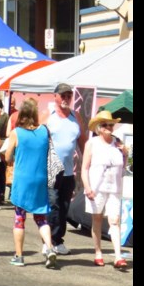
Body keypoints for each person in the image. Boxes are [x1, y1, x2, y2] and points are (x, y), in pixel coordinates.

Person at [5, 98, 58, 268]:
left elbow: (7, 157)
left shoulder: (17, 133)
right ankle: (49, 248)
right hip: (40, 179)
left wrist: (16, 157)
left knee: (19, 218)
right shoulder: (44, 131)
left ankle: (19, 256)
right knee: (41, 218)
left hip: (22, 181)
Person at [81, 110, 128, 269]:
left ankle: (118, 256)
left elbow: (123, 167)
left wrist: (125, 153)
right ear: (99, 128)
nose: (109, 127)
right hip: (96, 187)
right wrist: (87, 187)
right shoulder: (92, 143)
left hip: (114, 188)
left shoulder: (118, 142)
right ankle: (98, 252)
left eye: (111, 125)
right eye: (106, 125)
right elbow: (84, 168)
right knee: (97, 219)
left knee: (114, 220)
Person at [45, 83, 86, 256]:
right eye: (63, 95)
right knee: (53, 205)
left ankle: (58, 240)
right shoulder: (48, 116)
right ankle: (49, 241)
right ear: (55, 96)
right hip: (51, 170)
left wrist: (87, 165)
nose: (66, 98)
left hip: (69, 171)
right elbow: (39, 140)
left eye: (69, 95)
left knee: (64, 206)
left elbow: (83, 142)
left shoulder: (76, 116)